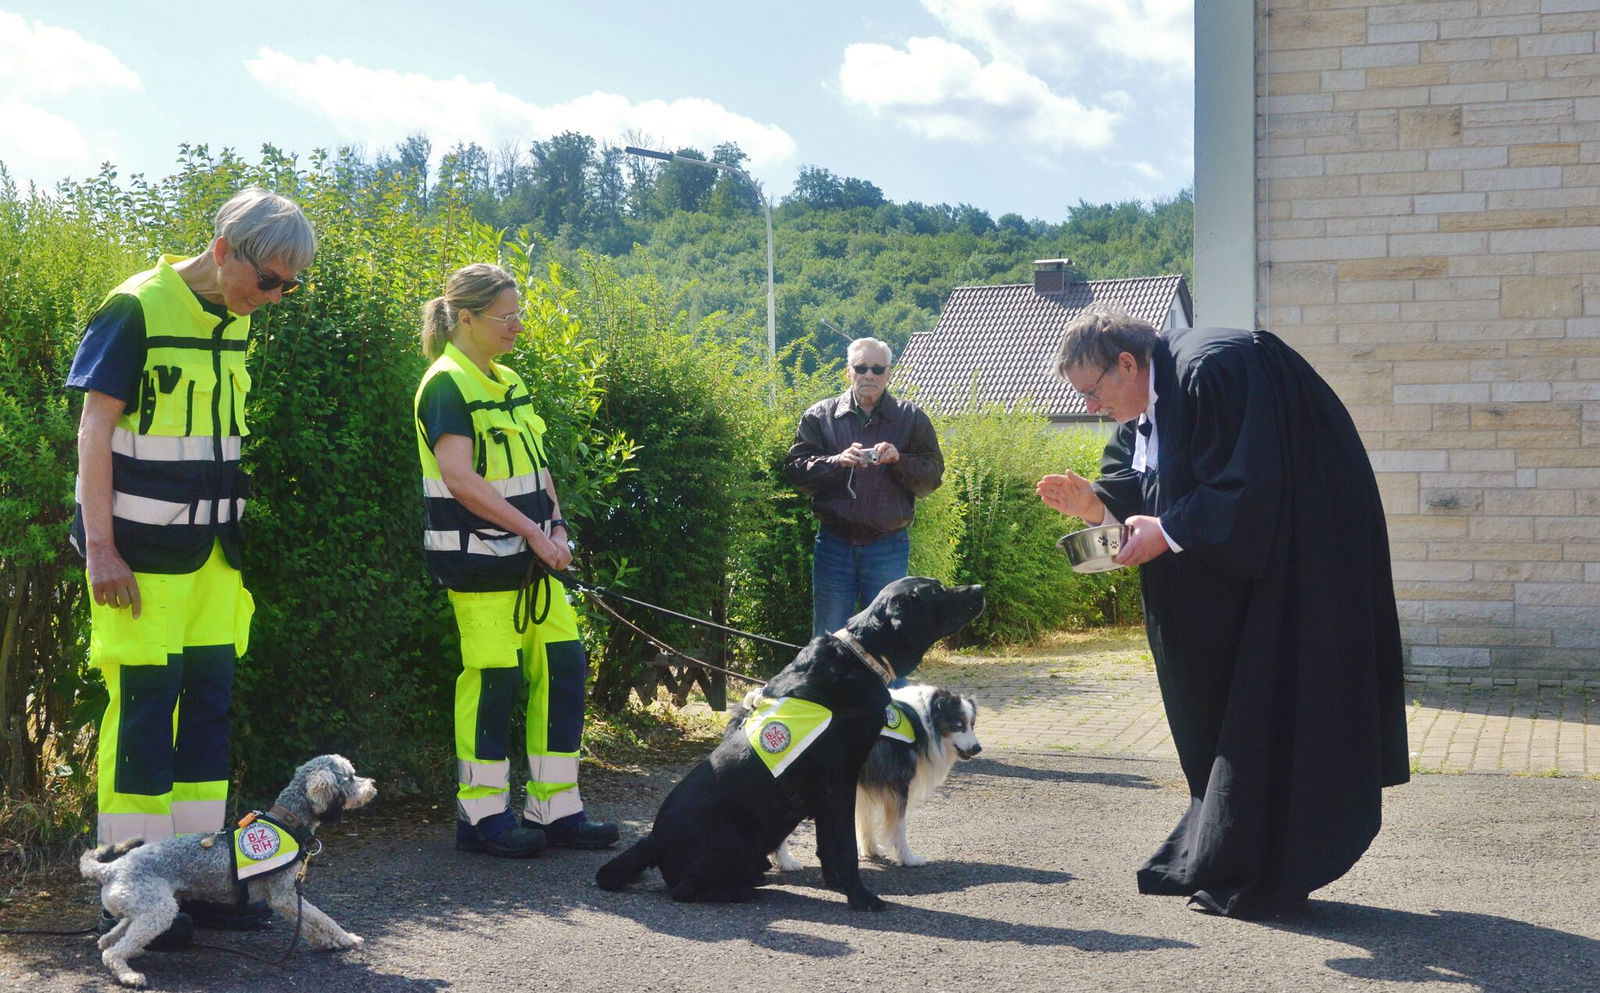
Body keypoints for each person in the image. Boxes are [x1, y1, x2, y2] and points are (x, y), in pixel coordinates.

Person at [1036, 310, 1409, 919]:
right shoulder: (1142, 406)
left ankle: (1266, 867)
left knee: (1268, 706)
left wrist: (1169, 529)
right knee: (1215, 711)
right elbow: (1143, 486)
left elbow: (1249, 486)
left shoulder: (1218, 370)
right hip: (1228, 582)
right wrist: (1095, 504)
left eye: (1091, 391)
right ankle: (1222, 849)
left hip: (1290, 571)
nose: (1091, 406)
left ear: (1127, 363)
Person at [68, 187, 316, 937]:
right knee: (145, 717)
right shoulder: (136, 307)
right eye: (267, 279)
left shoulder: (230, 320)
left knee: (207, 720)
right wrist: (101, 546)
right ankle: (134, 888)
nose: (273, 297)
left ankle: (205, 886)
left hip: (215, 561)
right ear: (221, 251)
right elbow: (93, 432)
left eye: (288, 286)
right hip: (140, 560)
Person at [414, 262, 618, 858]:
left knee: (564, 671)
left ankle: (557, 810)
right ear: (468, 318)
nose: (518, 327)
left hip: (534, 565)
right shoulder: (445, 384)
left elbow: (537, 466)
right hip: (479, 568)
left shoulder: (508, 380)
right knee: (492, 684)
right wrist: (534, 532)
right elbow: (458, 478)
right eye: (508, 317)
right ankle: (481, 819)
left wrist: (555, 526)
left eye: (519, 315)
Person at [782, 337, 945, 646]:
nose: (869, 375)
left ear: (889, 373)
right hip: (833, 544)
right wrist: (836, 462)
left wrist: (899, 460)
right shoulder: (819, 416)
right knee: (827, 641)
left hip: (888, 545)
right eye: (861, 368)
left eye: (877, 368)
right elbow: (794, 472)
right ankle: (826, 697)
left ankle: (888, 697)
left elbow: (932, 477)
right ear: (849, 372)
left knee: (889, 639)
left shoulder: (911, 418)